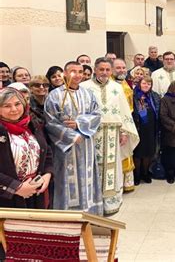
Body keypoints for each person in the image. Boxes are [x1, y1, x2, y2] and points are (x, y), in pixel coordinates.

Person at [81, 58, 139, 215]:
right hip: (92, 134)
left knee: (112, 166)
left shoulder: (117, 87)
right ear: (95, 69)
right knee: (93, 166)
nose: (104, 73)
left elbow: (123, 111)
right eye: (101, 69)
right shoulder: (84, 87)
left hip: (113, 134)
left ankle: (111, 201)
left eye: (107, 70)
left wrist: (124, 131)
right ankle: (94, 201)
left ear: (111, 71)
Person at [44, 61, 103, 215]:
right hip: (66, 148)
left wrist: (79, 124)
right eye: (73, 71)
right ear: (64, 73)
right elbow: (50, 122)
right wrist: (71, 136)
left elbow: (97, 115)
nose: (77, 75)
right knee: (68, 179)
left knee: (87, 176)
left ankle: (90, 212)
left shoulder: (88, 94)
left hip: (86, 144)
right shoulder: (54, 95)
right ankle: (67, 215)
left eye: (80, 72)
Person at [0, 87, 53, 209]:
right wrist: (16, 187)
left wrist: (47, 174)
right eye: (6, 106)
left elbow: (46, 151)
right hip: (7, 198)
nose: (14, 109)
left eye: (17, 104)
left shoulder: (31, 125)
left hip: (35, 193)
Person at [112, 58, 136, 192]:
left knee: (126, 152)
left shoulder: (126, 83)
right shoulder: (110, 85)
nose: (121, 70)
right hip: (114, 124)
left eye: (123, 67)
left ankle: (126, 183)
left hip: (127, 122)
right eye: (118, 68)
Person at [132, 76, 160, 185]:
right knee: (138, 153)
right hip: (138, 128)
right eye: (144, 83)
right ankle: (137, 175)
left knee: (148, 152)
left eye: (149, 84)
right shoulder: (133, 95)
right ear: (139, 84)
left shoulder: (154, 96)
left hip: (151, 128)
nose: (146, 85)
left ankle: (146, 173)